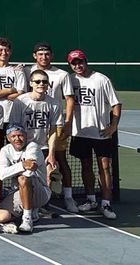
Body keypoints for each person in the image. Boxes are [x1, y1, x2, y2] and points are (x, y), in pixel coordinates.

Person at [66, 49, 121, 219]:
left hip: (101, 133)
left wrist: (113, 126)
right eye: (74, 63)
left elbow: (116, 104)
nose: (78, 66)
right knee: (85, 166)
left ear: (86, 61)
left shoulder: (101, 79)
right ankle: (91, 200)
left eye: (80, 62)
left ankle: (106, 203)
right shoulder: (70, 80)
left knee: (104, 167)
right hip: (80, 133)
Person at [23, 43, 77, 212]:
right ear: (34, 56)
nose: (43, 57)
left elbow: (69, 99)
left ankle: (68, 197)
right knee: (28, 161)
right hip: (32, 123)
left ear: (51, 55)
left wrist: (67, 123)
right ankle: (32, 199)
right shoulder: (27, 71)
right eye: (40, 54)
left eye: (47, 54)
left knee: (59, 160)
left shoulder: (62, 74)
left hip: (55, 124)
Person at [0, 125, 50, 232]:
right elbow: (1, 175)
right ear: (8, 138)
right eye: (13, 136)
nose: (17, 139)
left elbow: (29, 171)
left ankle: (27, 219)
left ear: (26, 136)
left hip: (41, 192)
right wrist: (22, 165)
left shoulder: (33, 147)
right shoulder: (5, 150)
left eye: (20, 135)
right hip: (18, 192)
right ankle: (30, 211)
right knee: (0, 217)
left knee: (23, 178)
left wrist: (16, 169)